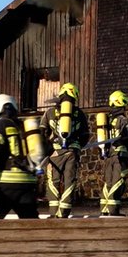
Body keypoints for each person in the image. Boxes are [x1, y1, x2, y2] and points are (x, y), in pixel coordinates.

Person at [0, 94, 39, 219]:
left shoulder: (0, 126)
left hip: (4, 184)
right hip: (26, 183)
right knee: (31, 223)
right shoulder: (23, 127)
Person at [40, 83, 90, 218]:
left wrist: (46, 148)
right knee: (70, 180)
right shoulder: (79, 114)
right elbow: (85, 135)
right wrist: (77, 147)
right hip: (72, 152)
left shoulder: (50, 112)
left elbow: (42, 132)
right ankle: (64, 212)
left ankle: (53, 212)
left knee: (52, 180)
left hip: (54, 153)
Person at [100, 90, 128, 216]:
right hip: (121, 156)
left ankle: (105, 209)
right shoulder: (123, 120)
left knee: (109, 182)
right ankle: (113, 210)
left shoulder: (108, 120)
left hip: (109, 156)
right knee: (119, 181)